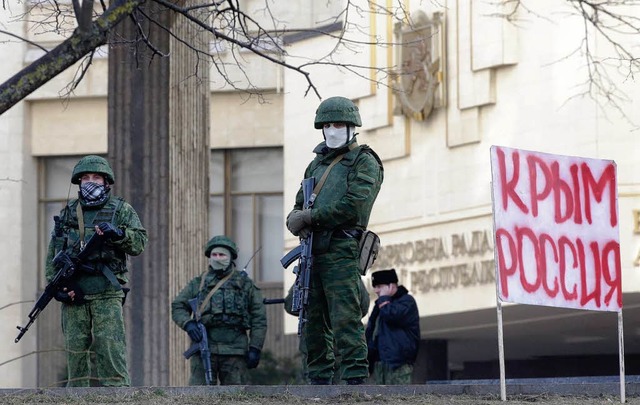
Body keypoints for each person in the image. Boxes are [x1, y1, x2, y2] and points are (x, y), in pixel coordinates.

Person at [286, 96, 384, 385]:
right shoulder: (314, 166)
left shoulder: (364, 161)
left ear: (352, 127)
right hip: (312, 250)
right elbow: (298, 205)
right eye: (327, 125)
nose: (332, 130)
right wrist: (296, 218)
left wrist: (310, 218)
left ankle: (354, 378)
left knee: (345, 318)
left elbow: (353, 205)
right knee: (312, 319)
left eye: (338, 124)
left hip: (342, 248)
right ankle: (318, 379)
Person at [45, 155, 147, 387]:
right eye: (86, 178)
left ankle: (117, 398)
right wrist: (58, 287)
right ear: (79, 182)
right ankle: (77, 400)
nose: (91, 182)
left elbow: (139, 243)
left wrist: (119, 234)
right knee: (75, 350)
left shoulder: (121, 210)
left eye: (96, 177)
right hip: (75, 293)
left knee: (109, 347)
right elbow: (53, 255)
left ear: (106, 182)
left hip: (106, 291)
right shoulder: (68, 213)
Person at [171, 235, 267, 385]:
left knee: (235, 397)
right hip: (204, 347)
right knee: (199, 396)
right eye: (214, 255)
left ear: (230, 257)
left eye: (221, 254)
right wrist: (188, 324)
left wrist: (255, 347)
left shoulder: (245, 285)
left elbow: (259, 318)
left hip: (235, 351)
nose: (217, 258)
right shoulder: (198, 283)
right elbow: (178, 306)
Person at [284, 277, 371, 384]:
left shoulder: (308, 274)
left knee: (319, 390)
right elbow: (364, 305)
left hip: (323, 349)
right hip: (333, 346)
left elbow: (290, 305)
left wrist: (314, 313)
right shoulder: (345, 272)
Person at [365, 268, 420, 385]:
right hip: (379, 366)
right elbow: (371, 333)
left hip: (398, 366)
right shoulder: (379, 306)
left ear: (391, 286)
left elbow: (392, 315)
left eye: (379, 286)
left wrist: (384, 299)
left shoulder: (407, 302)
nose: (376, 290)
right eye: (375, 287)